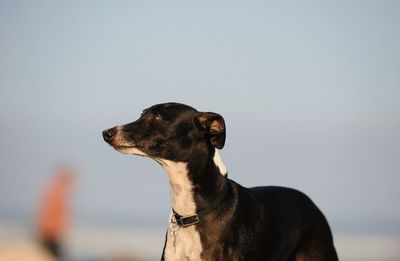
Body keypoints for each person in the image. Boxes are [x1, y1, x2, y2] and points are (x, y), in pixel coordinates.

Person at [37, 166, 75, 260]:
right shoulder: (57, 194)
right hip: (51, 235)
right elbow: (50, 216)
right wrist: (53, 232)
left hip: (51, 234)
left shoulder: (58, 193)